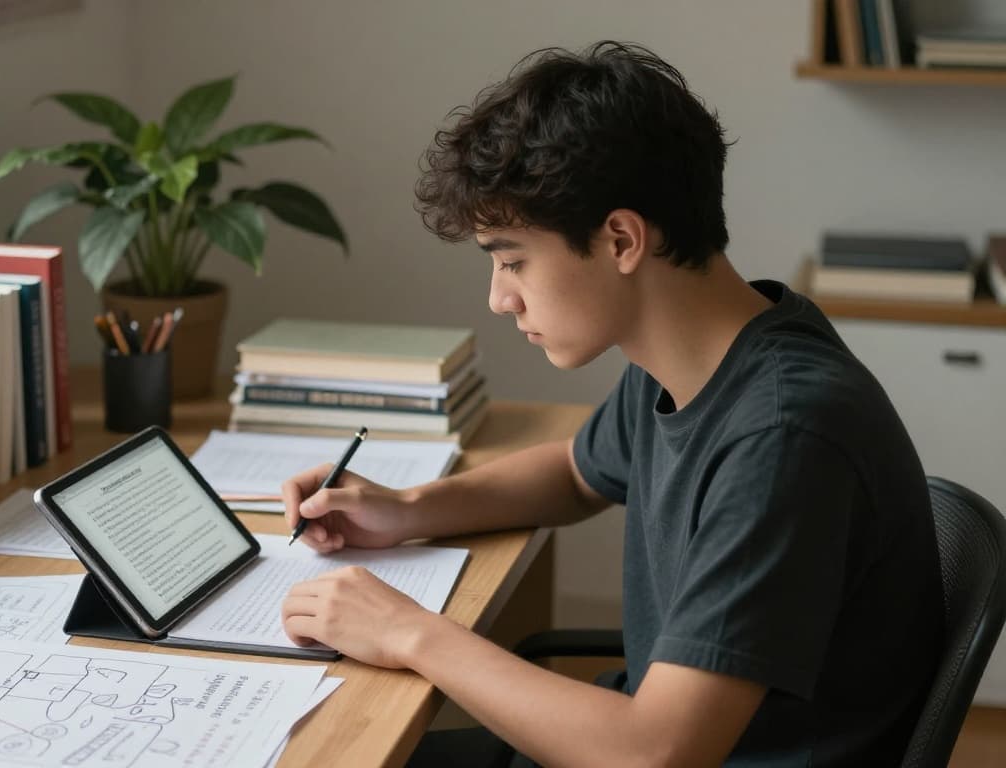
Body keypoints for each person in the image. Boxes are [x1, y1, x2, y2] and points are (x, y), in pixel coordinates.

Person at [278, 41, 943, 766]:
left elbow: (656, 753)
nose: (500, 298)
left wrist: (409, 633)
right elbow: (574, 474)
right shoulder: (698, 355)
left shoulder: (784, 434)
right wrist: (405, 509)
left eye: (513, 260)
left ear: (621, 239)